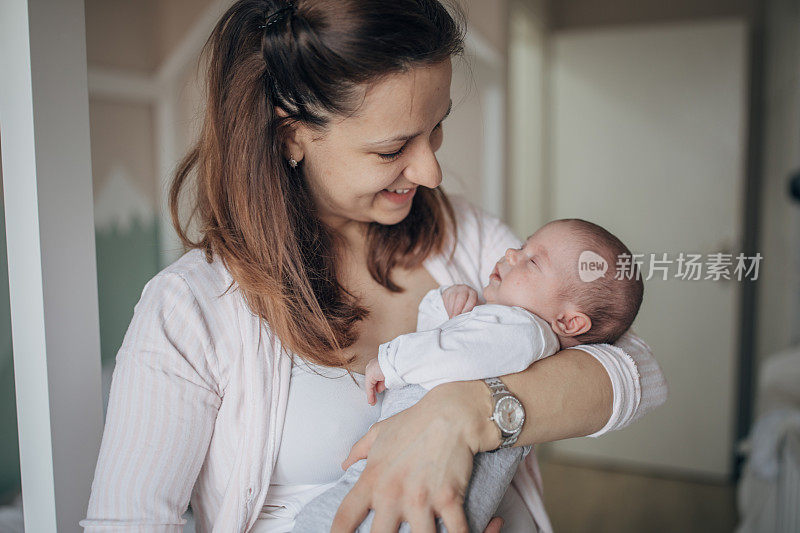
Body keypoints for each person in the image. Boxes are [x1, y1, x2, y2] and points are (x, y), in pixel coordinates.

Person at [80, 1, 668, 532]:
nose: (431, 173)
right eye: (392, 150)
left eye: (437, 129)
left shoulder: (464, 239)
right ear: (290, 136)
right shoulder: (191, 310)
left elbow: (629, 366)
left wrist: (463, 414)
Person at [293, 219, 645, 532]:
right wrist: (446, 301)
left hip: (430, 488)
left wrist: (391, 361)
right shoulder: (501, 324)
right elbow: (446, 340)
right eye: (522, 245)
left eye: (532, 260)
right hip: (434, 491)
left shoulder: (521, 329)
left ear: (569, 322)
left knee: (329, 520)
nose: (510, 252)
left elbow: (449, 354)